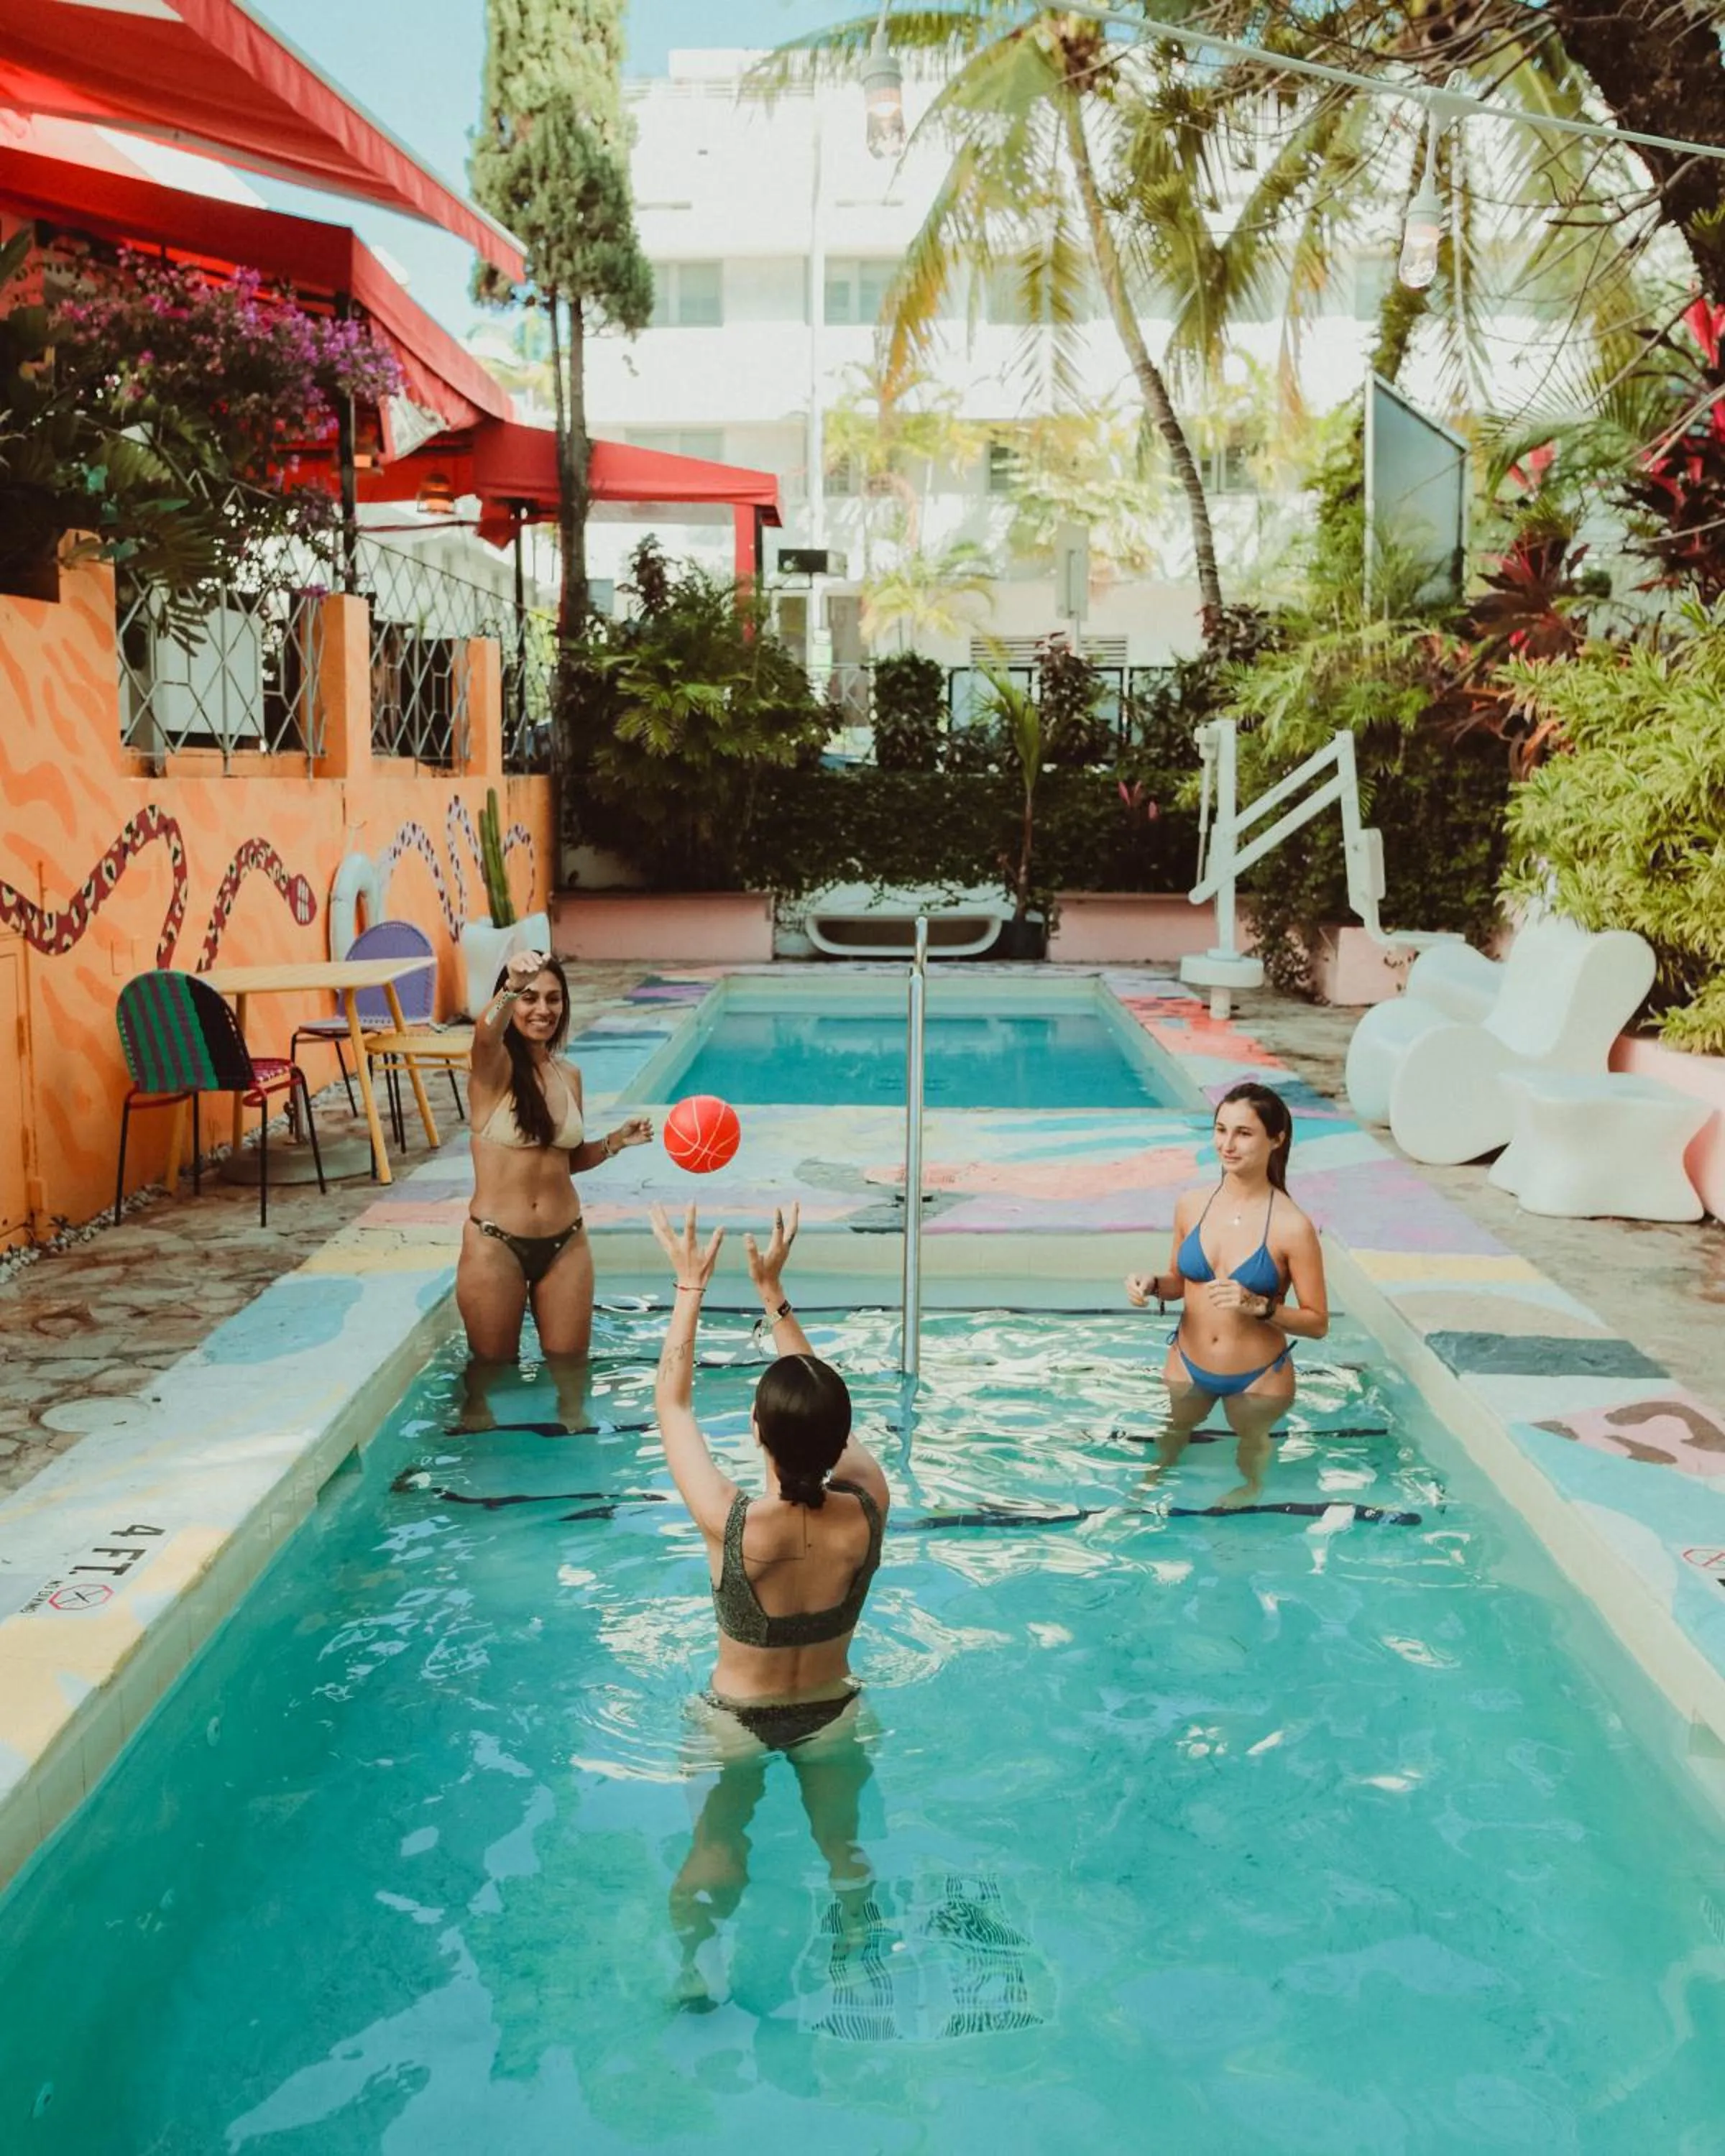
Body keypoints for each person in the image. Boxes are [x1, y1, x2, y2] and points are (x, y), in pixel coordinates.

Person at [649, 1199, 891, 2009]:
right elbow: (827, 1412)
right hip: (832, 1712)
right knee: (843, 1845)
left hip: (736, 1721)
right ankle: (858, 1945)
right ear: (838, 1441)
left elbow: (672, 1404)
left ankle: (693, 1971)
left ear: (756, 1429)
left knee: (719, 1841)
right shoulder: (868, 1506)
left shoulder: (731, 1523)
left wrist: (691, 1288)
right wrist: (775, 1298)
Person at [456, 948, 653, 1429]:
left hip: (567, 1242)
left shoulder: (569, 1076)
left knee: (571, 1376)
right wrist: (509, 987)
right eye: (529, 998)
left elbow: (565, 1160)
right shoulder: (492, 1069)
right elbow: (485, 1032)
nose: (541, 1009)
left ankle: (574, 1461)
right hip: (495, 1244)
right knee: (490, 1377)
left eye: (553, 999)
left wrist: (615, 1142)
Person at [1125, 1080, 1328, 1506]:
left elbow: (1317, 1322)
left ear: (1277, 1139)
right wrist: (1153, 1283)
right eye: (1220, 1130)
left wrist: (1258, 1306)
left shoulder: (1293, 1226)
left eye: (1244, 1133)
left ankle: (1251, 1490)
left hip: (1259, 1375)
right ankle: (1141, 1498)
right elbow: (1181, 1283)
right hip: (1186, 1360)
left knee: (1252, 1451)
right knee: (1169, 1441)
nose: (1228, 1145)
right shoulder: (1191, 1204)